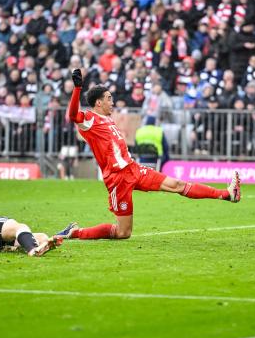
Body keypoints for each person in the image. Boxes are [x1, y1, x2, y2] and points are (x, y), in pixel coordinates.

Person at [57, 69, 241, 240]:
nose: (112, 102)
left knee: (177, 184)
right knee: (123, 233)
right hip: (117, 179)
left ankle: (227, 194)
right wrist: (77, 89)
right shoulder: (89, 119)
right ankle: (75, 232)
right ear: (99, 102)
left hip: (133, 169)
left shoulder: (108, 119)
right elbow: (73, 115)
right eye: (109, 98)